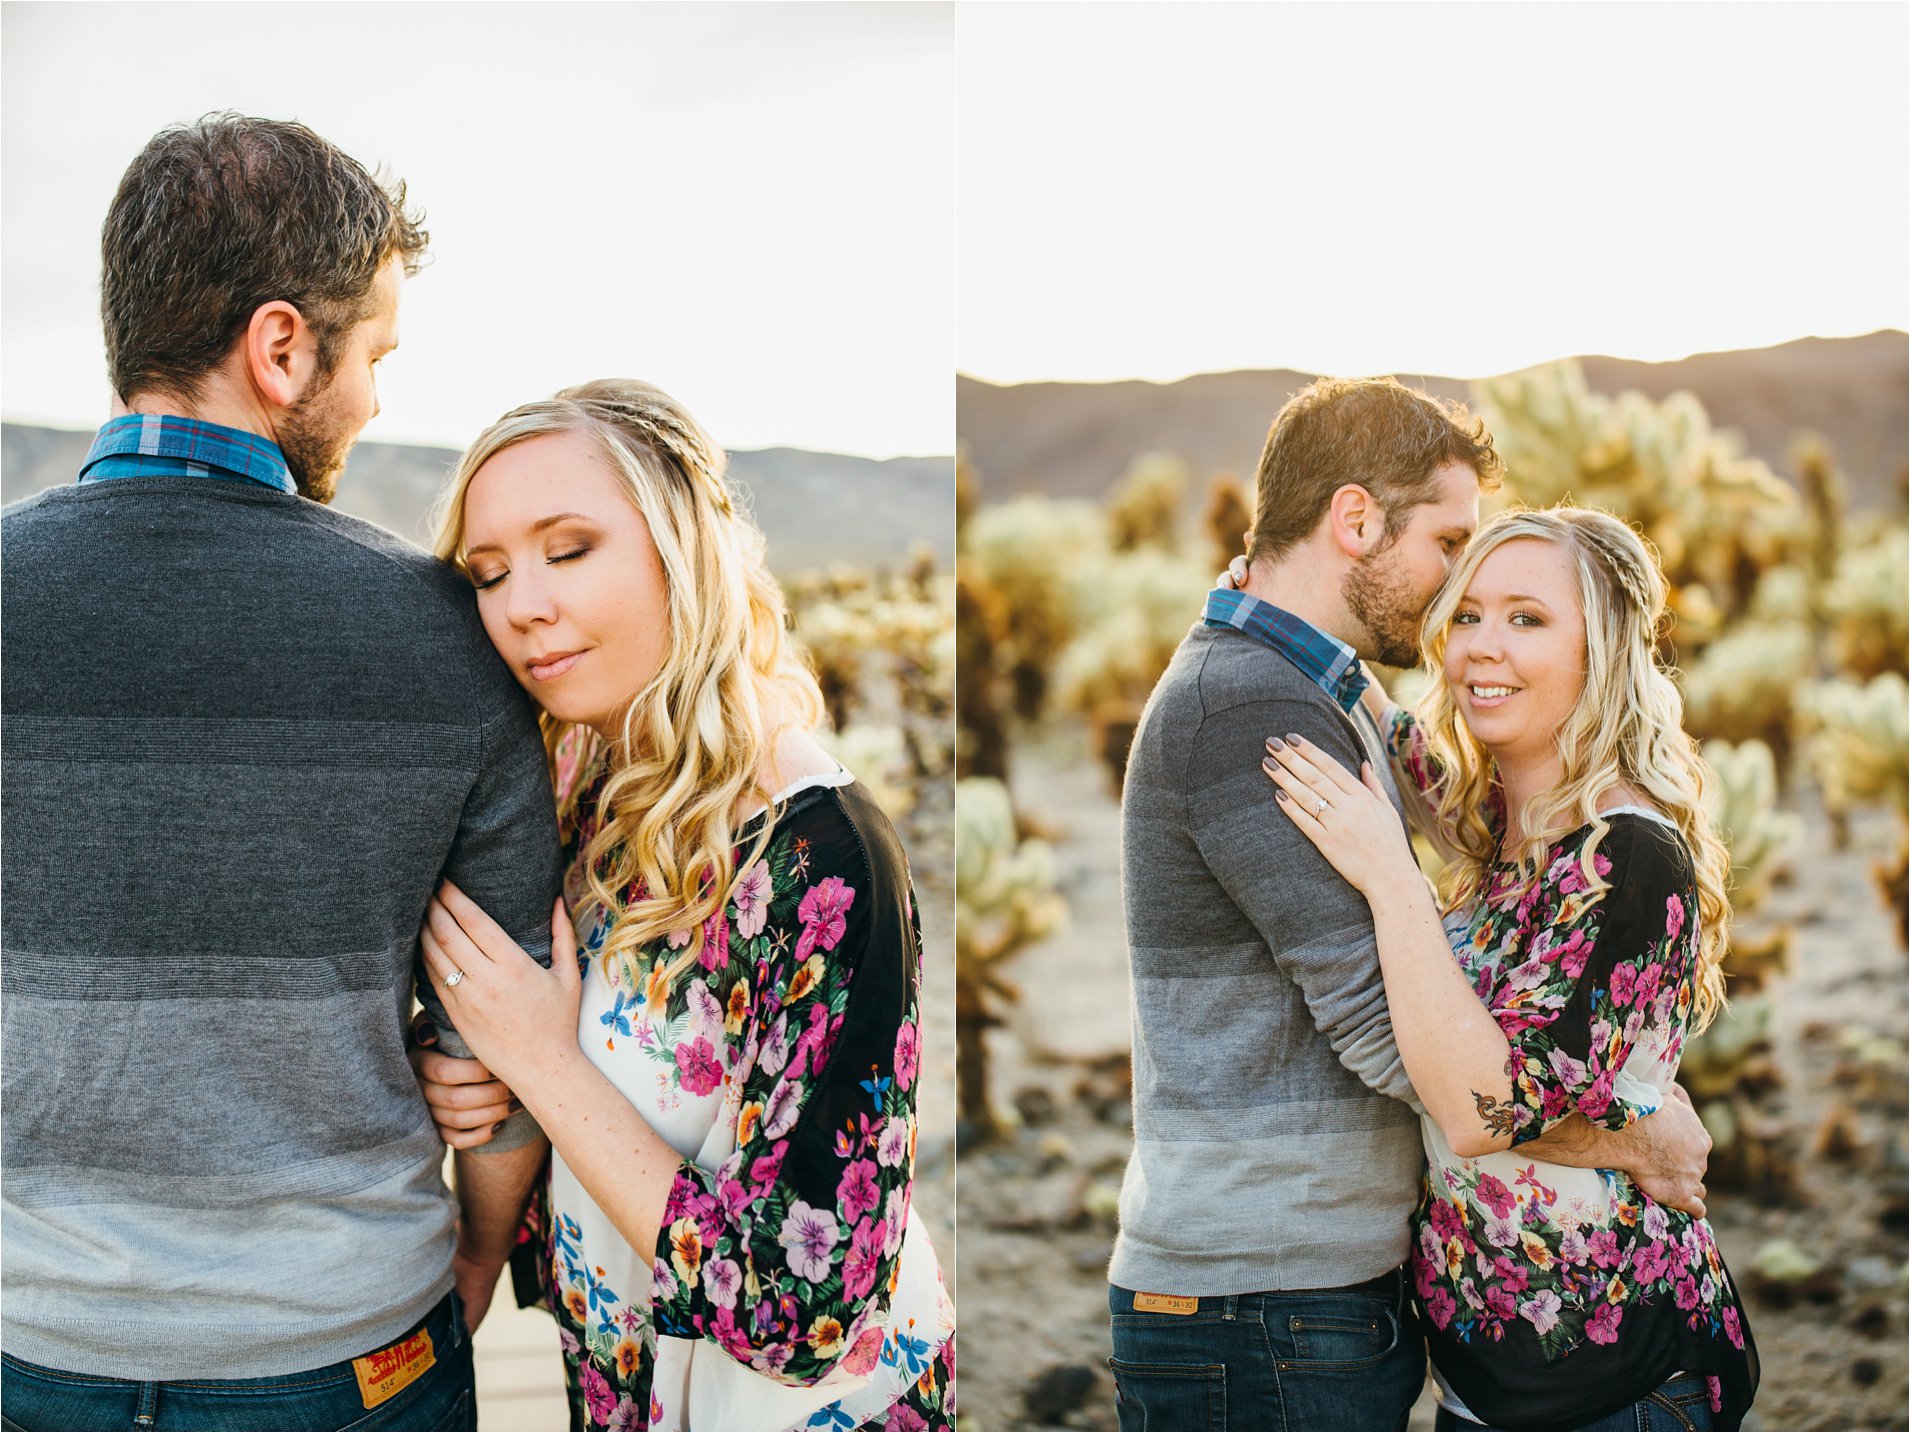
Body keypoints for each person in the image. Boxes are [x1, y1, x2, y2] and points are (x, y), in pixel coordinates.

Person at [0, 115, 561, 1430]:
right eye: (373, 353)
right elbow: (499, 1037)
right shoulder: (445, 636)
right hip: (347, 1352)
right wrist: (475, 1255)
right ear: (280, 346)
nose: (373, 397)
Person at [1109, 377, 1713, 1433]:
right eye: (1450, 554)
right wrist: (1631, 1131)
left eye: (1519, 613)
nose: (1457, 618)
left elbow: (1451, 807)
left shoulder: (1320, 692)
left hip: (1541, 1356)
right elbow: (1401, 1047)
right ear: (1354, 520)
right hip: (1275, 1300)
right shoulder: (1259, 700)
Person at [402, 380, 955, 1431]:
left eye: (567, 550)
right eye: (488, 572)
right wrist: (471, 1068)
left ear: (682, 547)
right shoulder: (576, 800)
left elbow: (807, 1310)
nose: (521, 602)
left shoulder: (821, 858)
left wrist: (540, 1063)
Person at [1263, 506, 1759, 1430]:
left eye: (1527, 619)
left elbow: (1489, 1108)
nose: (1482, 648)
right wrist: (1267, 602)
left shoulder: (1628, 859)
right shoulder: (1499, 818)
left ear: (1601, 649)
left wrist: (1390, 876)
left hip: (1620, 1390)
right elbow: (1383, 722)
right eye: (1467, 616)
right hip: (1481, 1389)